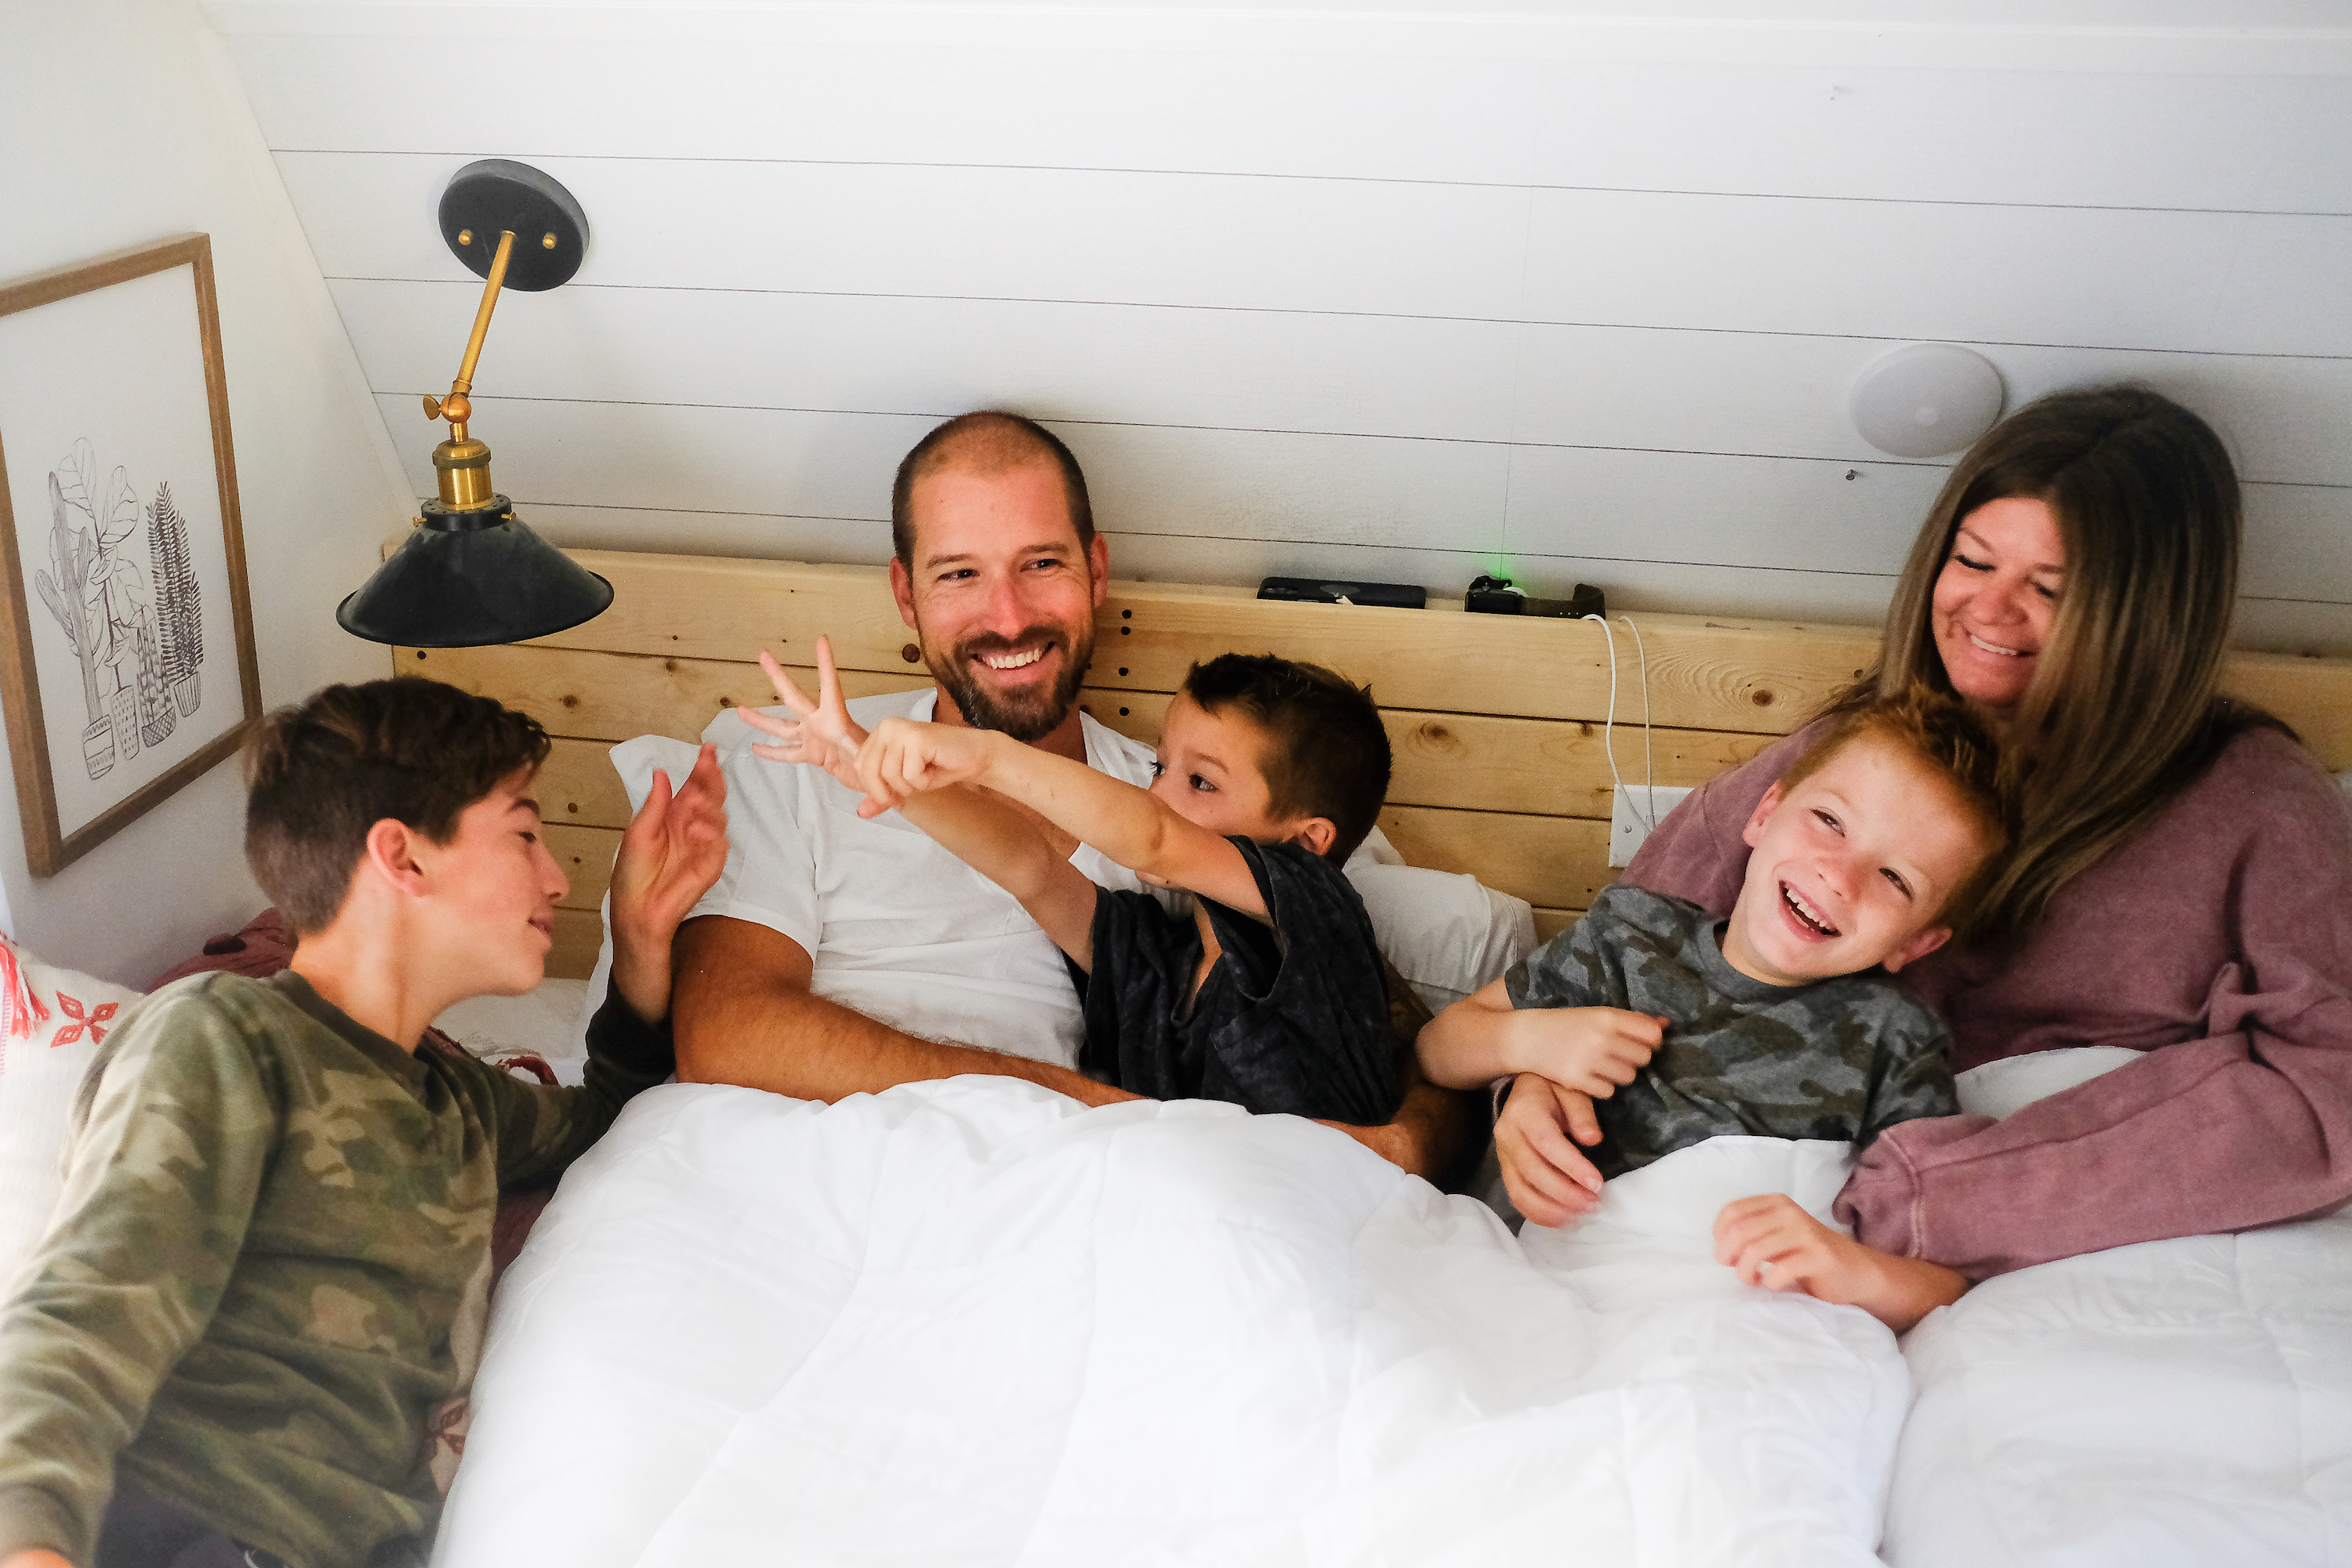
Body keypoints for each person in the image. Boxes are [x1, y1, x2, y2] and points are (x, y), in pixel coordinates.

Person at [1498, 386, 2352, 1279]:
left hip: (2082, 1206)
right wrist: (1534, 1085)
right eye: (1974, 561)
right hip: (1778, 1198)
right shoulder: (1859, 751)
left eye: (2050, 590)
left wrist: (1931, 1200)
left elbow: (2323, 1092)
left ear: (2148, 626)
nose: (1989, 612)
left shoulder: (2260, 802)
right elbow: (1625, 953)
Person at [0, 677, 728, 1568]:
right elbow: (81, 1317)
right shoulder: (227, 1038)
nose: (557, 876)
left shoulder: (457, 1100)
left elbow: (612, 1118)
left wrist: (643, 931)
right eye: (526, 833)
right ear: (404, 857)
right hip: (190, 1535)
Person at [671, 410, 1470, 1174]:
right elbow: (1028, 867)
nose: (1009, 616)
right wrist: (879, 772)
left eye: (1041, 563)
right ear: (907, 593)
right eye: (960, 573)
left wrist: (1404, 1148)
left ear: (1095, 570)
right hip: (838, 1162)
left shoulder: (1222, 824)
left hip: (1135, 1183)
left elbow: (1408, 1039)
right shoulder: (797, 761)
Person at [1419, 689, 2005, 1330]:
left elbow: (1944, 1274)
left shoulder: (1895, 1039)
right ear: (1765, 812)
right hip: (1541, 1282)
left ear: (1918, 943)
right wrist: (1529, 1043)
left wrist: (1852, 1269)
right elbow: (1439, 1047)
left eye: (1896, 880)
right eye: (1831, 821)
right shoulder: (1629, 936)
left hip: (1718, 1316)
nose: (1841, 876)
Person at [751, 641, 1401, 1125]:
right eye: (1160, 766)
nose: (1158, 793)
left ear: (1305, 842)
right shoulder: (1159, 958)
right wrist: (879, 772)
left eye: (1201, 782)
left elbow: (1154, 835)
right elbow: (1027, 868)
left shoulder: (1318, 914)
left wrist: (991, 755)